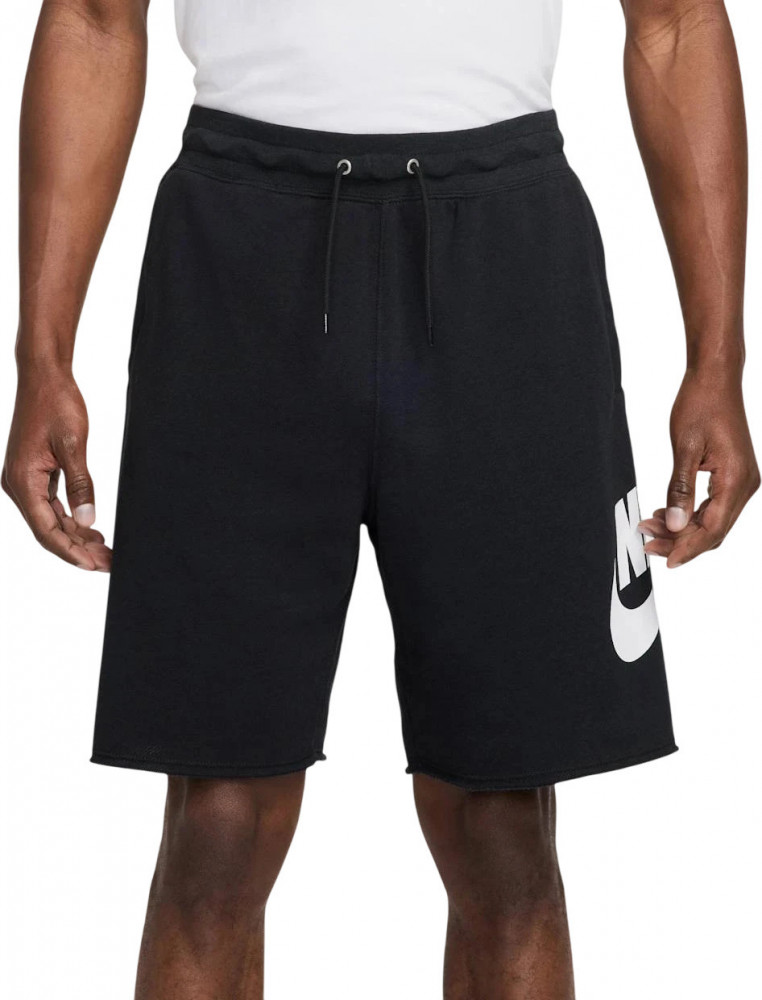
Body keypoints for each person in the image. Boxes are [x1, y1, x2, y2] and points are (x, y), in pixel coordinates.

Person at [3, 1, 758, 997]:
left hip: (505, 254)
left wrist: (717, 359)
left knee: (502, 828)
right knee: (218, 820)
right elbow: (95, 21)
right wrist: (43, 354)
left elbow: (677, 23)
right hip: (239, 253)